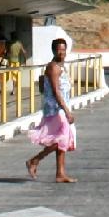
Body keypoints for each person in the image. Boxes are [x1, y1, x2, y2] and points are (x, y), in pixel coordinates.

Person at [25, 38, 77, 183]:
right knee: (63, 138)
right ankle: (35, 160)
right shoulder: (53, 67)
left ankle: (60, 173)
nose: (61, 52)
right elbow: (55, 91)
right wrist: (66, 111)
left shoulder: (61, 66)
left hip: (60, 106)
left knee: (62, 138)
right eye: (59, 49)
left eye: (63, 49)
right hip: (55, 108)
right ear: (53, 51)